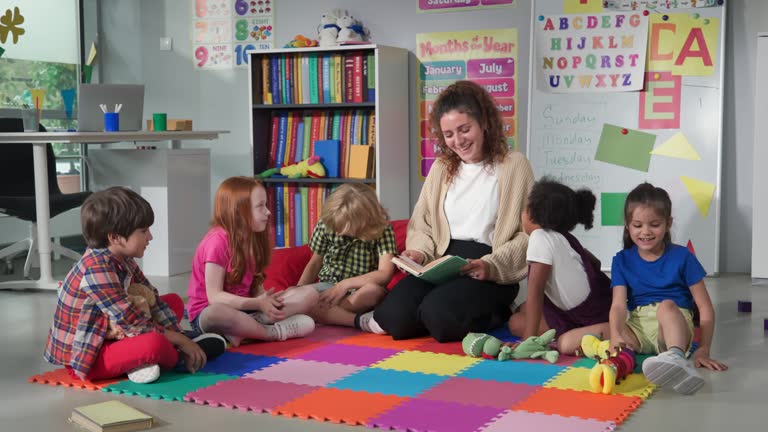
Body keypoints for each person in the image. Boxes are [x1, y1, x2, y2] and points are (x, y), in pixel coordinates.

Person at [373, 80, 534, 342]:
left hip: (487, 266)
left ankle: (499, 311)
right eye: (449, 134)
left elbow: (528, 233)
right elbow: (421, 224)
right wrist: (419, 252)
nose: (458, 141)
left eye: (464, 129)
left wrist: (491, 266)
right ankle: (439, 311)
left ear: (483, 122)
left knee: (440, 316)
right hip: (442, 262)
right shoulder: (441, 168)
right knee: (393, 318)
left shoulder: (514, 164)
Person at [44, 187, 226, 384]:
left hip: (112, 332)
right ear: (115, 237)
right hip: (89, 355)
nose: (150, 237)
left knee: (172, 301)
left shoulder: (123, 258)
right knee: (154, 344)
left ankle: (154, 357)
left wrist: (179, 335)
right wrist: (182, 341)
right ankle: (175, 357)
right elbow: (132, 322)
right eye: (143, 231)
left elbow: (151, 299)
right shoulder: (96, 269)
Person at [610, 182, 728, 395]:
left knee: (666, 307)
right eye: (637, 225)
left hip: (673, 326)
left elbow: (705, 307)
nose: (645, 232)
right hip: (638, 328)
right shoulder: (621, 260)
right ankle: (615, 354)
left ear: (668, 223)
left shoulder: (682, 256)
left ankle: (675, 357)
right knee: (581, 336)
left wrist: (703, 349)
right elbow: (618, 306)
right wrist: (615, 334)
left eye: (654, 224)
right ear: (627, 225)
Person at [186, 176, 317, 347]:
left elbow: (253, 282)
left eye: (266, 205)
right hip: (209, 314)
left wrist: (263, 298)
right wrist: (257, 303)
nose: (268, 212)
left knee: (310, 294)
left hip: (247, 308)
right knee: (216, 312)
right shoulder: (217, 242)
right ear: (239, 211)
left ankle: (249, 326)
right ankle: (270, 332)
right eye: (260, 206)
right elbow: (214, 297)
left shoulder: (253, 238)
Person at [507, 178, 612, 354]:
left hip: (590, 318)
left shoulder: (540, 237)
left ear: (534, 214)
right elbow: (595, 262)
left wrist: (527, 342)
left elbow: (535, 292)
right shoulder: (562, 237)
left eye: (526, 207)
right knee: (522, 309)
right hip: (591, 307)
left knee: (516, 322)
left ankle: (594, 332)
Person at [300, 184, 398, 332]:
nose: (339, 232)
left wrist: (345, 284)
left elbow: (385, 273)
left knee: (374, 291)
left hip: (359, 290)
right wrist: (299, 289)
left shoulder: (382, 230)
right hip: (327, 287)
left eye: (345, 228)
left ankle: (322, 314)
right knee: (295, 295)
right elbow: (315, 261)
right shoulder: (328, 223)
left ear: (364, 220)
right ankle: (343, 317)